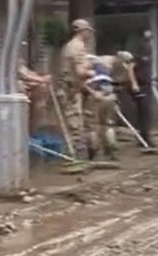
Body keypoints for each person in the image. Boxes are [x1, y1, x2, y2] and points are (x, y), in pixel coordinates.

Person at [57, 19, 97, 160]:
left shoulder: (71, 46)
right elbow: (80, 72)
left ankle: (77, 154)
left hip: (72, 89)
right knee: (75, 124)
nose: (89, 34)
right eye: (88, 31)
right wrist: (92, 72)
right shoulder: (77, 47)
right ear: (82, 31)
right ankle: (75, 157)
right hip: (70, 91)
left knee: (76, 123)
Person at [131, 30, 157, 148]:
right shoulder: (139, 53)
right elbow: (130, 68)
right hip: (141, 85)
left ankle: (144, 136)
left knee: (147, 112)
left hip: (147, 83)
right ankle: (144, 137)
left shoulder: (149, 51)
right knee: (145, 112)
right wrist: (134, 83)